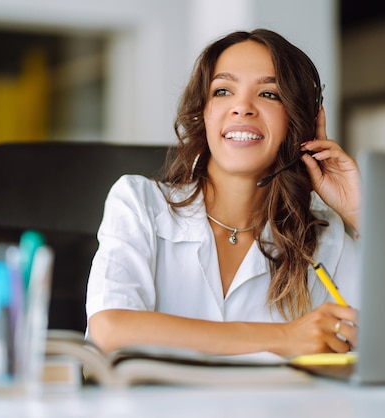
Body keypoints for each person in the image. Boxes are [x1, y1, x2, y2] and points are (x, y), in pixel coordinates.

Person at [86, 29, 361, 358]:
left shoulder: (325, 236)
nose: (242, 107)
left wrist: (359, 213)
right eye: (223, 90)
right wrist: (283, 336)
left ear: (299, 121)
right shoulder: (139, 203)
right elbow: (111, 331)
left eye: (269, 94)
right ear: (203, 112)